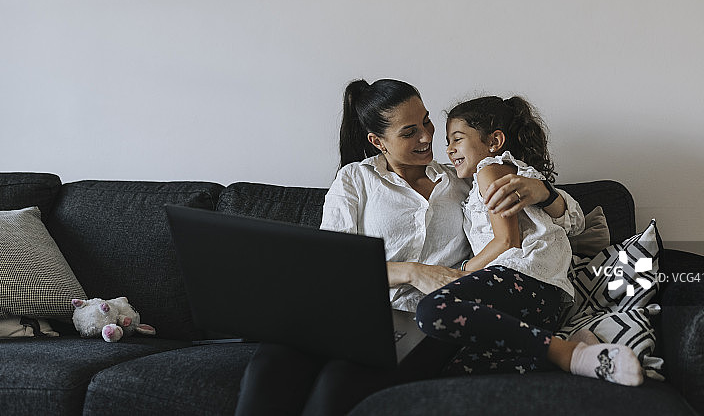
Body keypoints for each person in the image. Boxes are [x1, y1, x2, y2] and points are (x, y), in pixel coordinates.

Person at [235, 80, 554, 416]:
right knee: (273, 363)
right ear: (378, 141)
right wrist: (413, 272)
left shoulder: (464, 177)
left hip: (423, 320)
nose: (428, 137)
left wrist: (542, 190)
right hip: (352, 315)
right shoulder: (355, 179)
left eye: (427, 121)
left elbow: (570, 221)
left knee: (336, 385)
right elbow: (333, 268)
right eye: (409, 132)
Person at [415, 95, 644, 386]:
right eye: (448, 142)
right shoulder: (490, 178)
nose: (448, 150)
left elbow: (508, 240)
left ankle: (567, 353)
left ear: (494, 141)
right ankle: (576, 346)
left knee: (433, 309)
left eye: (457, 139)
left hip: (521, 276)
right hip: (542, 301)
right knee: (462, 368)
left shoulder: (490, 170)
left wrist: (461, 272)